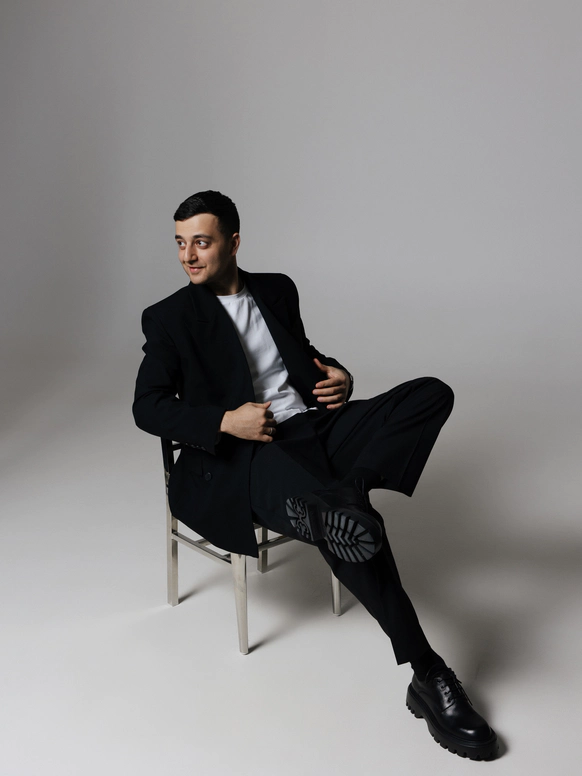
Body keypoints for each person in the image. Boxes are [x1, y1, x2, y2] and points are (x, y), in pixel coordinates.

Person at [132, 190, 499, 761]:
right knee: (341, 523)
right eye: (180, 244)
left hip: (312, 429)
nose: (188, 256)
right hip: (246, 453)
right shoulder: (170, 317)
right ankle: (428, 672)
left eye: (201, 242)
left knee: (429, 394)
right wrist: (226, 420)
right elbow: (147, 407)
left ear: (233, 242)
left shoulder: (277, 289)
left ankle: (347, 492)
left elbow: (298, 356)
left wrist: (339, 376)